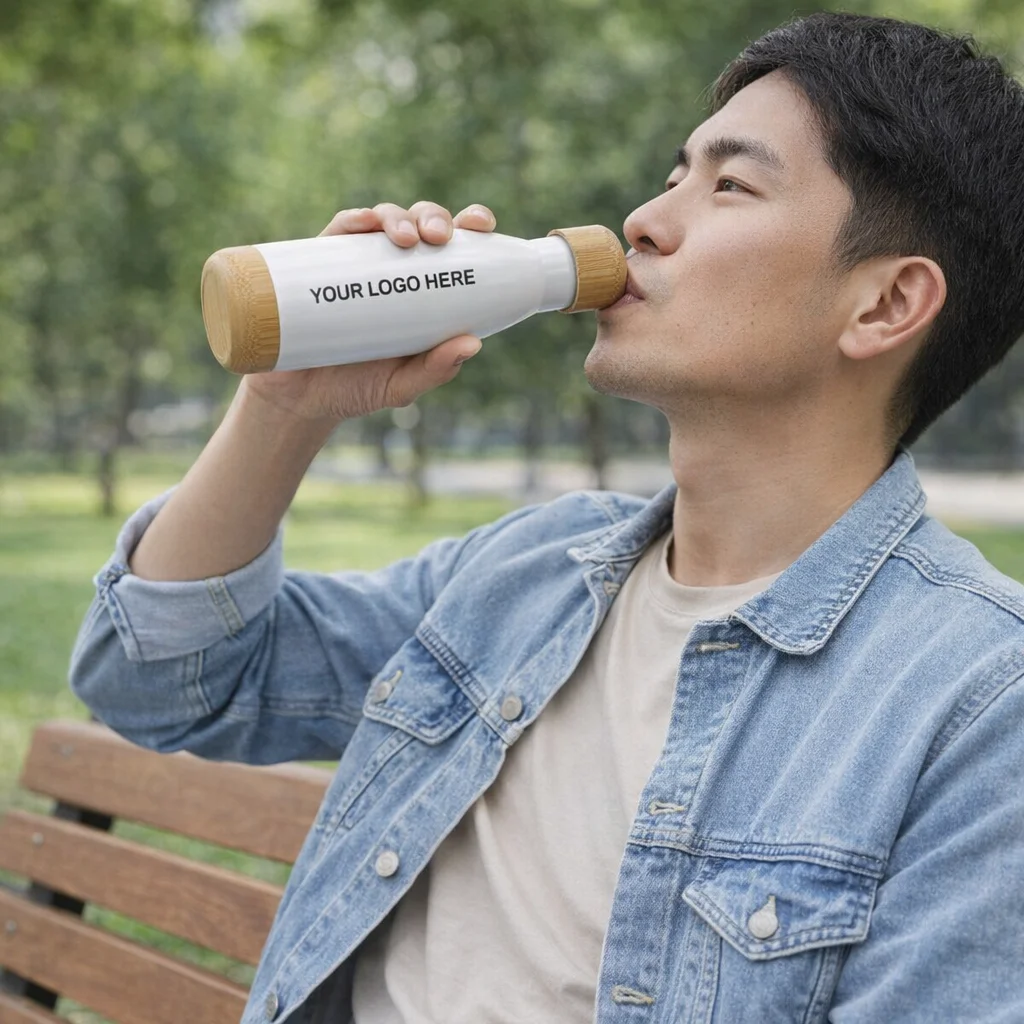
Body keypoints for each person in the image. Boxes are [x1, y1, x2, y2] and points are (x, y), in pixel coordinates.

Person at [68, 11, 1024, 1023]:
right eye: (673, 175)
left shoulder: (973, 704)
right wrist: (284, 406)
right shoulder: (531, 568)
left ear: (883, 306)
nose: (645, 222)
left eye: (731, 184)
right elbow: (161, 684)